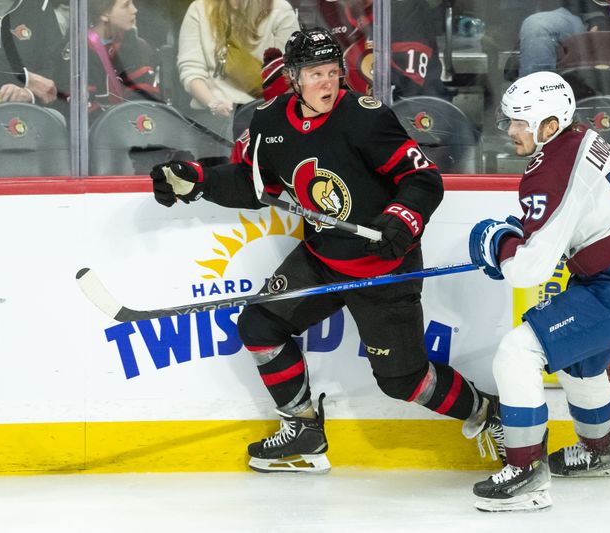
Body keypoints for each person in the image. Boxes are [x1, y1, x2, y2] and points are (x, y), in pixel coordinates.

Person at [149, 27, 504, 474]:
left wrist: (402, 219)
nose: (327, 83)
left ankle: (488, 414)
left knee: (403, 381)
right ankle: (303, 429)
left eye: (334, 72)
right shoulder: (271, 122)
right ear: (295, 78)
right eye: (315, 73)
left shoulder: (365, 117)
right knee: (260, 326)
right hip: (323, 258)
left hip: (383, 266)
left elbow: (422, 180)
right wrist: (196, 181)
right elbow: (251, 184)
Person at [467, 71, 610, 511]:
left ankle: (526, 472)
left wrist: (500, 245)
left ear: (548, 124)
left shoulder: (553, 171)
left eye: (520, 122)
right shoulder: (578, 137)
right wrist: (517, 241)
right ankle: (603, 453)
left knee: (518, 351)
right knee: (578, 365)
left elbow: (529, 270)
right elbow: (571, 224)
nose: (510, 131)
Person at [177, 0, 299, 137]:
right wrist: (213, 103)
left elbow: (292, 71)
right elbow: (191, 70)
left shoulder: (280, 9)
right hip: (211, 119)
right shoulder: (200, 8)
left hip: (266, 114)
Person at [318, 0, 448, 100]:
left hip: (408, 119)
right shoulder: (327, 10)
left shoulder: (404, 9)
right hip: (352, 120)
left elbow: (411, 90)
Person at [0, 0, 61, 125]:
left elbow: (55, 64)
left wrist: (29, 94)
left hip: (27, 109)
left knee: (58, 121)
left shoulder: (40, 4)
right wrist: (25, 79)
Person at [83, 0, 160, 118]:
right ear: (105, 14)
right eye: (126, 5)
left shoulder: (137, 46)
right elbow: (80, 108)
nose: (135, 10)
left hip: (131, 128)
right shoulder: (79, 51)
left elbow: (146, 98)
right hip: (95, 130)